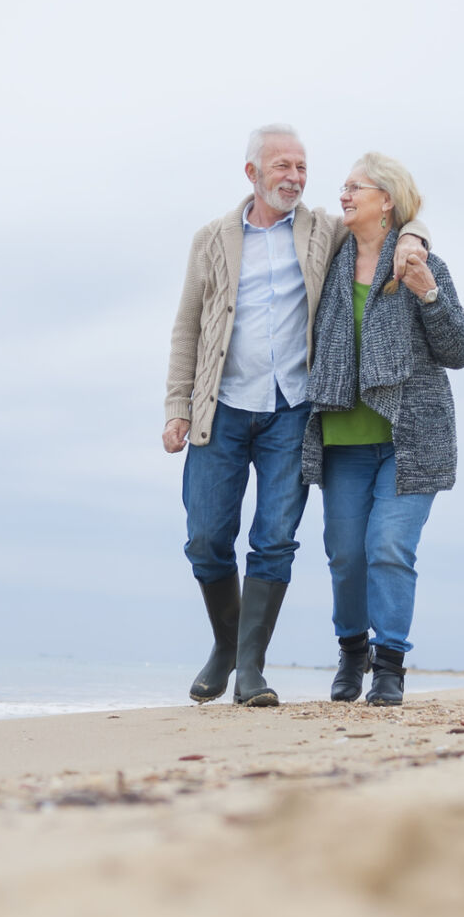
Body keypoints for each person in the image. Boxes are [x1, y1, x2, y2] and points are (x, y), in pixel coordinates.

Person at [164, 125, 429, 707]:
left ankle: (251, 670)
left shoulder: (321, 231)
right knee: (207, 537)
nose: (295, 177)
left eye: (302, 167)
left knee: (275, 539)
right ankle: (226, 645)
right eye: (282, 165)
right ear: (252, 173)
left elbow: (393, 221)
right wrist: (177, 406)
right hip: (222, 407)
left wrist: (415, 237)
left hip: (292, 410)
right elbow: (187, 325)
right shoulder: (211, 238)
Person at [300, 153, 464, 706]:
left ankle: (390, 666)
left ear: (387, 200)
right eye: (343, 186)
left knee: (389, 548)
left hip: (411, 439)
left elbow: (460, 350)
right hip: (342, 440)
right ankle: (352, 654)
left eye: (356, 187)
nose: (344, 194)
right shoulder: (329, 261)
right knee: (346, 555)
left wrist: (427, 291)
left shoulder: (422, 263)